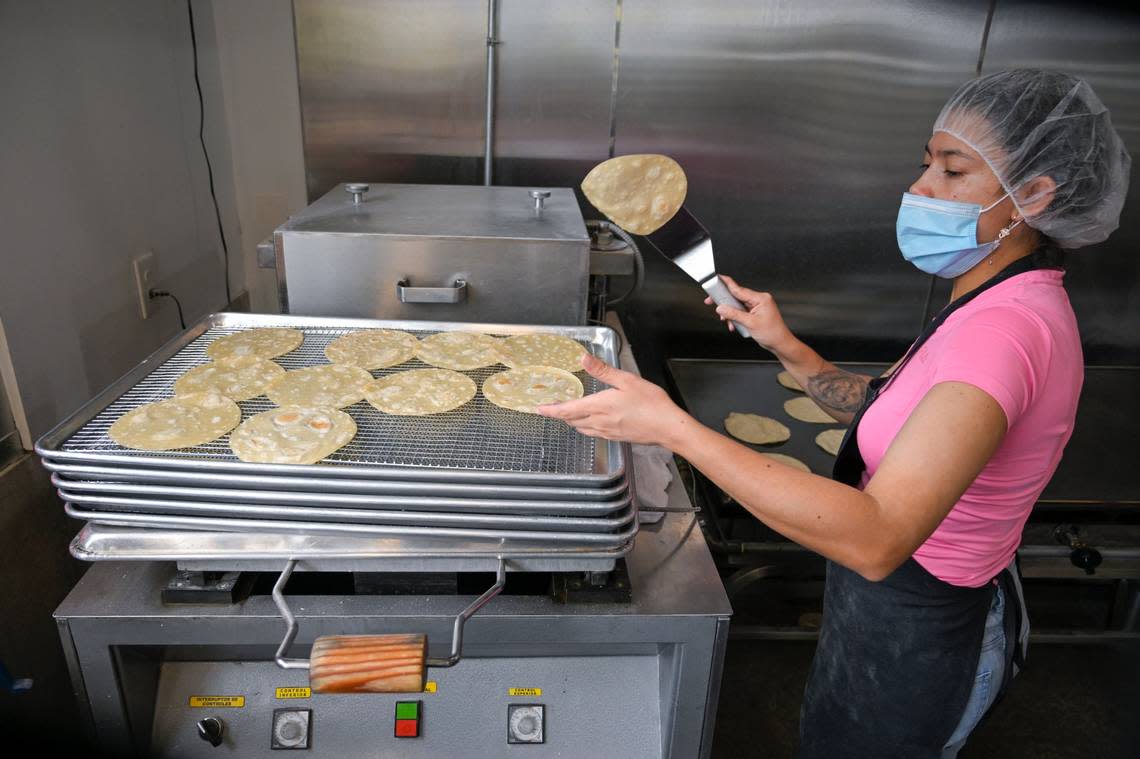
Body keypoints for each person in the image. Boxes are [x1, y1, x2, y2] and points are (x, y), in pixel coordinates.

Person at [538, 69, 1130, 758]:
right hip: (886, 619)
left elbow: (877, 539)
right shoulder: (996, 301)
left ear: (1031, 195)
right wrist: (789, 348)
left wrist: (672, 425)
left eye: (953, 170)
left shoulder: (1003, 335)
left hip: (923, 631)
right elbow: (889, 409)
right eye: (925, 164)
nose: (919, 189)